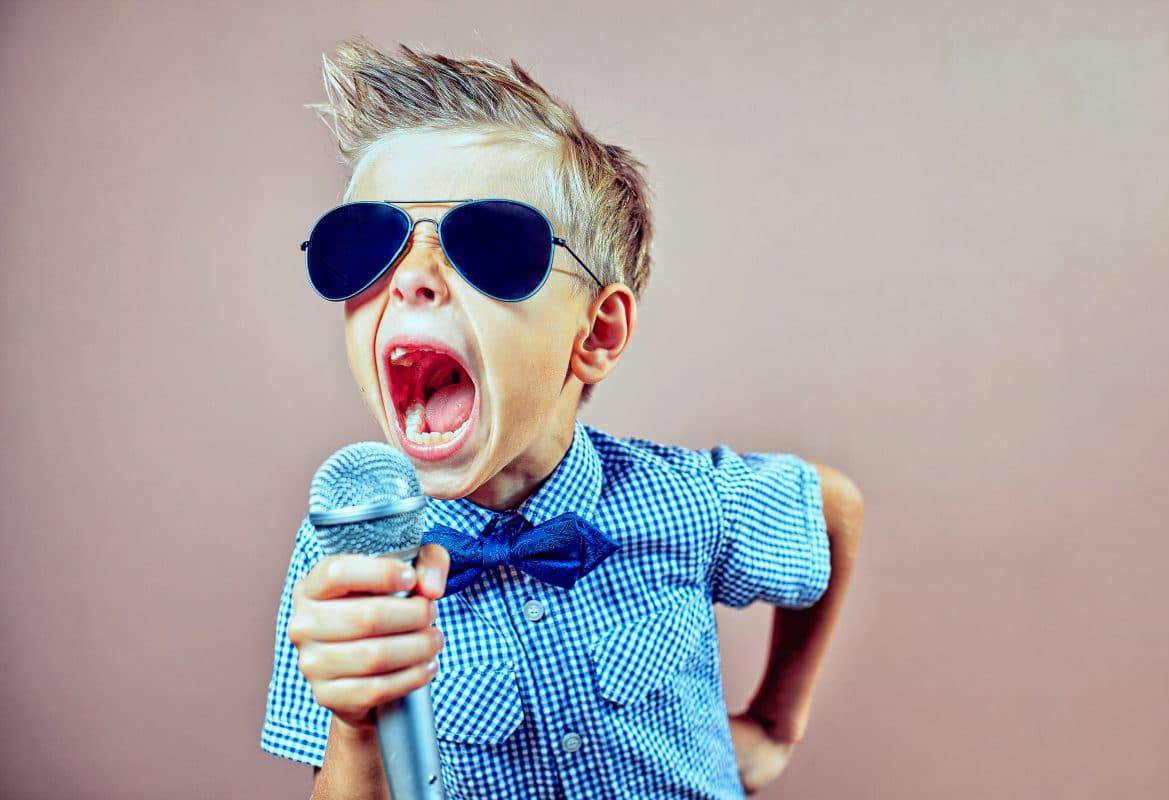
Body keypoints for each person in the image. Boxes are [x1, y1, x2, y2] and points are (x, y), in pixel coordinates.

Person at [261, 36, 865, 799]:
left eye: (488, 244)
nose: (411, 276)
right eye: (366, 247)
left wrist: (778, 721)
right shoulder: (344, 558)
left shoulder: (690, 502)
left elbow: (834, 509)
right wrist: (357, 727)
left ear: (597, 335)